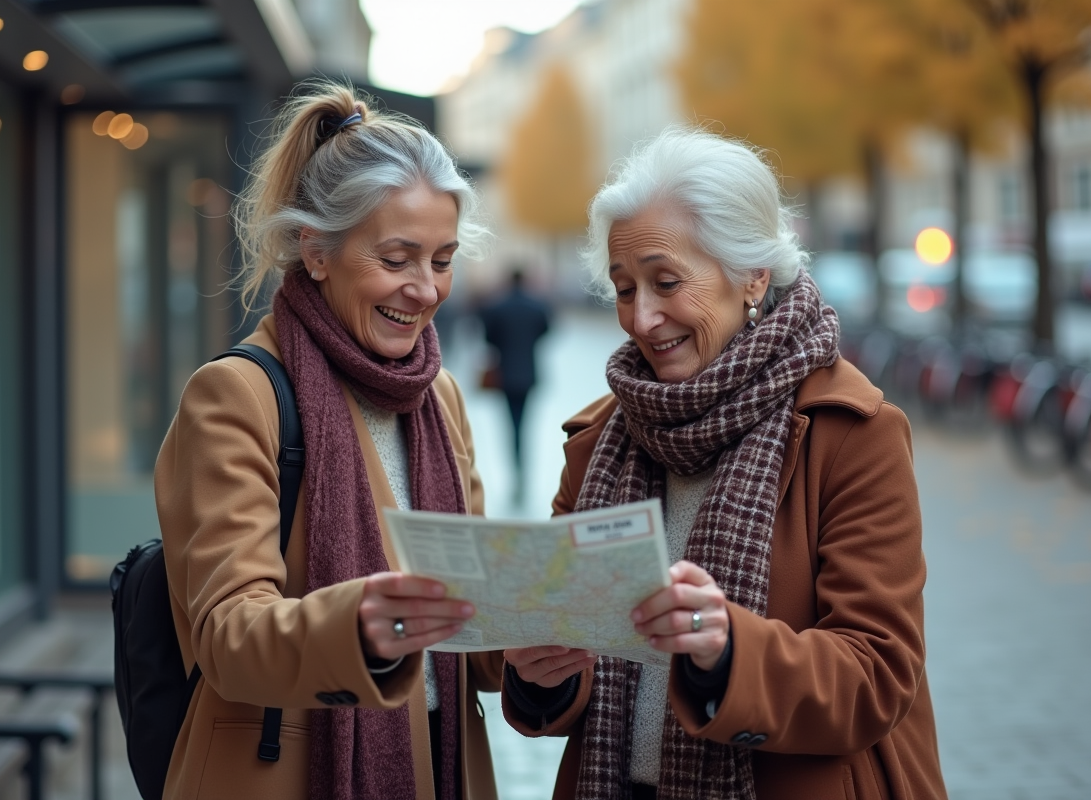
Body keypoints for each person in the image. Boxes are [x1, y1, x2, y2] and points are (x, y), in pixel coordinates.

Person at [500, 128, 947, 800]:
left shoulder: (855, 434)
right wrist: (543, 674)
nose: (642, 318)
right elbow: (569, 676)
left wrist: (728, 650)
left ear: (752, 275)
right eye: (624, 288)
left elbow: (876, 673)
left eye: (666, 282)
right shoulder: (597, 441)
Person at [154, 83, 503, 800]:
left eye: (442, 260)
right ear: (316, 250)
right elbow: (227, 636)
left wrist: (541, 641)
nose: (425, 290)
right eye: (397, 259)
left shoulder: (440, 396)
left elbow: (469, 624)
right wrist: (360, 628)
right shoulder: (236, 395)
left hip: (441, 770)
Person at [478, 269, 551, 495]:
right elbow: (546, 330)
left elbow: (488, 337)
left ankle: (515, 468)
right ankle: (522, 469)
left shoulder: (497, 307)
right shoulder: (536, 306)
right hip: (528, 373)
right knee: (524, 423)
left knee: (511, 424)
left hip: (505, 374)